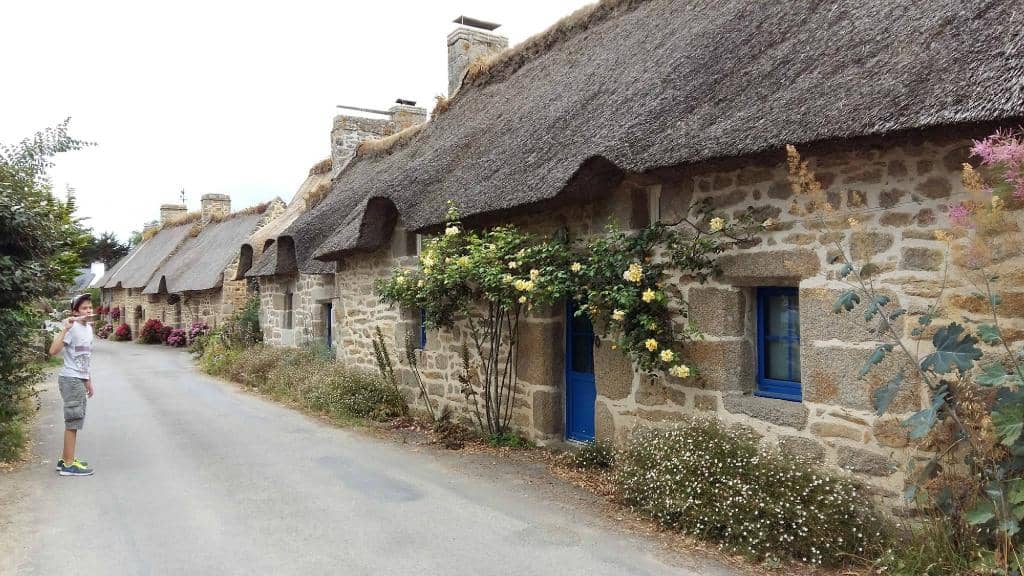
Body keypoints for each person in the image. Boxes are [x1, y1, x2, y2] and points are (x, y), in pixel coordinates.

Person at [48, 293, 95, 476]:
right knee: (73, 422)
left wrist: (88, 380)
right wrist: (65, 329)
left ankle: (64, 459)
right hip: (70, 379)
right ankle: (68, 465)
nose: (88, 310)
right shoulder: (72, 328)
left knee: (75, 420)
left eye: (90, 307)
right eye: (84, 308)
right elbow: (53, 351)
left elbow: (85, 358)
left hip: (79, 379)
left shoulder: (88, 328)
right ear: (75, 312)